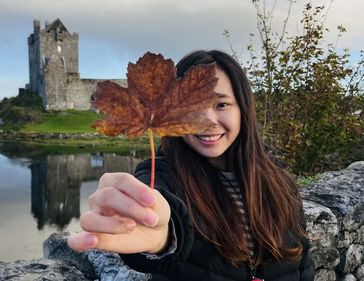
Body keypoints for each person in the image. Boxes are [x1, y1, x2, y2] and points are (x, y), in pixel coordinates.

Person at [67, 50, 315, 281]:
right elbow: (165, 212)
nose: (207, 120)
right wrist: (162, 237)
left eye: (221, 105)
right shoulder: (164, 175)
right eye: (193, 106)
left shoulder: (278, 178)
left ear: (243, 109)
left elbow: (303, 261)